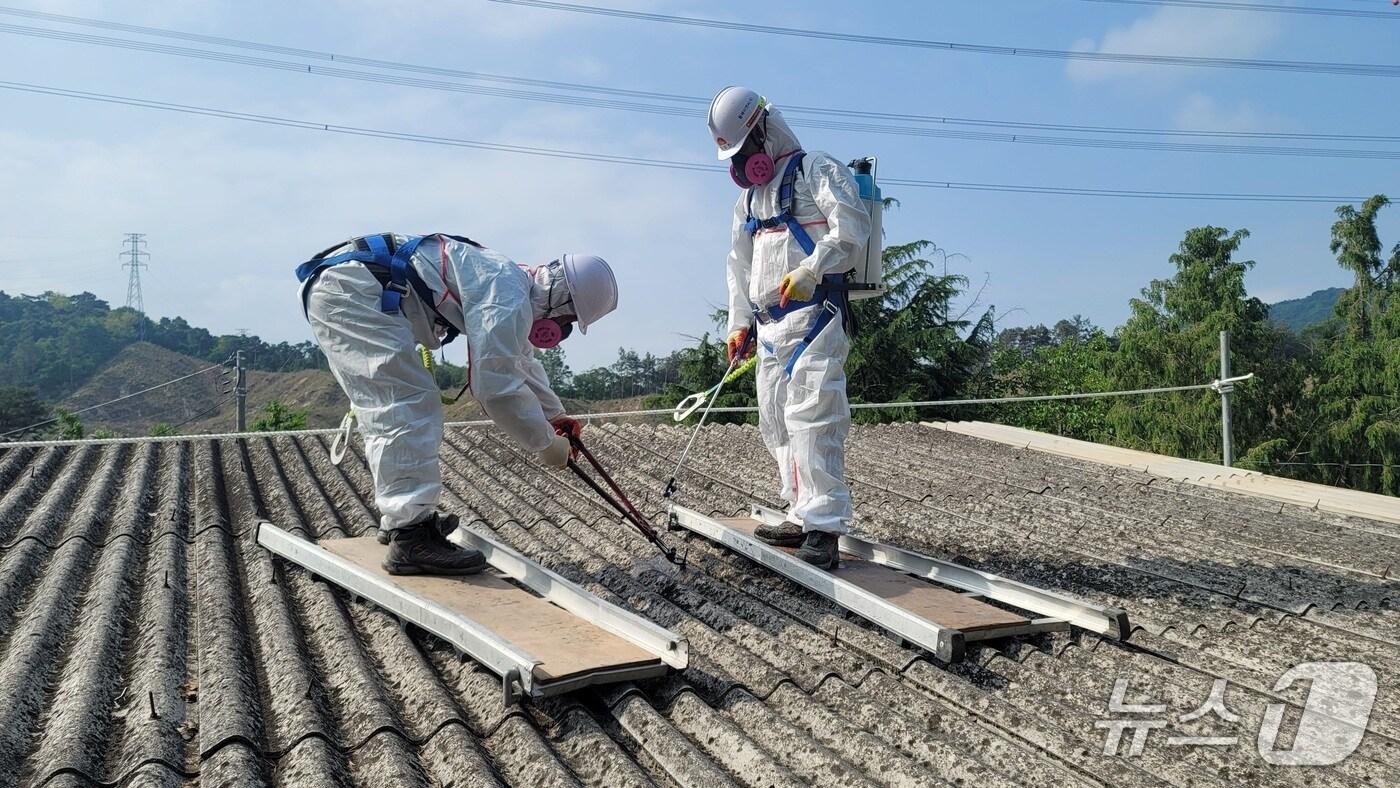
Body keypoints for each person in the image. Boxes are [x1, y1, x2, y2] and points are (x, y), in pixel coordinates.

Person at [295, 233, 617, 575]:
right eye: (565, 323)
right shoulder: (508, 296)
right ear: (560, 302)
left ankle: (404, 520)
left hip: (353, 286)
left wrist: (554, 414)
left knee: (396, 405)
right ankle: (411, 536)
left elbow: (518, 361)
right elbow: (495, 386)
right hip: (353, 290)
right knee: (405, 404)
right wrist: (544, 443)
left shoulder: (510, 285)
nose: (558, 332)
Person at [708, 86, 871, 569]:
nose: (743, 164)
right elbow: (738, 265)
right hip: (768, 325)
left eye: (745, 150)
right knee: (776, 420)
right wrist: (740, 324)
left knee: (814, 418)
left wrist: (812, 269)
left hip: (814, 317)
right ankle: (800, 512)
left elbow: (852, 229)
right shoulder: (750, 200)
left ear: (762, 129)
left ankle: (824, 526)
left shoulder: (816, 170)